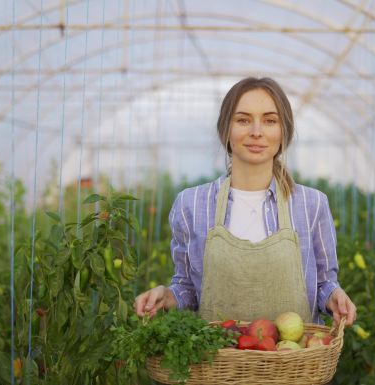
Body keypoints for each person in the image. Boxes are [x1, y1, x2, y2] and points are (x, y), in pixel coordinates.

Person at [134, 77, 356, 327]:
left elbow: (324, 283)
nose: (256, 132)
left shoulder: (311, 204)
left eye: (270, 121)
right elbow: (188, 287)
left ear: (284, 132)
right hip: (218, 360)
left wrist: (334, 297)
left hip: (294, 360)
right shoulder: (191, 205)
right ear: (225, 131)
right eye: (243, 120)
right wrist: (168, 295)